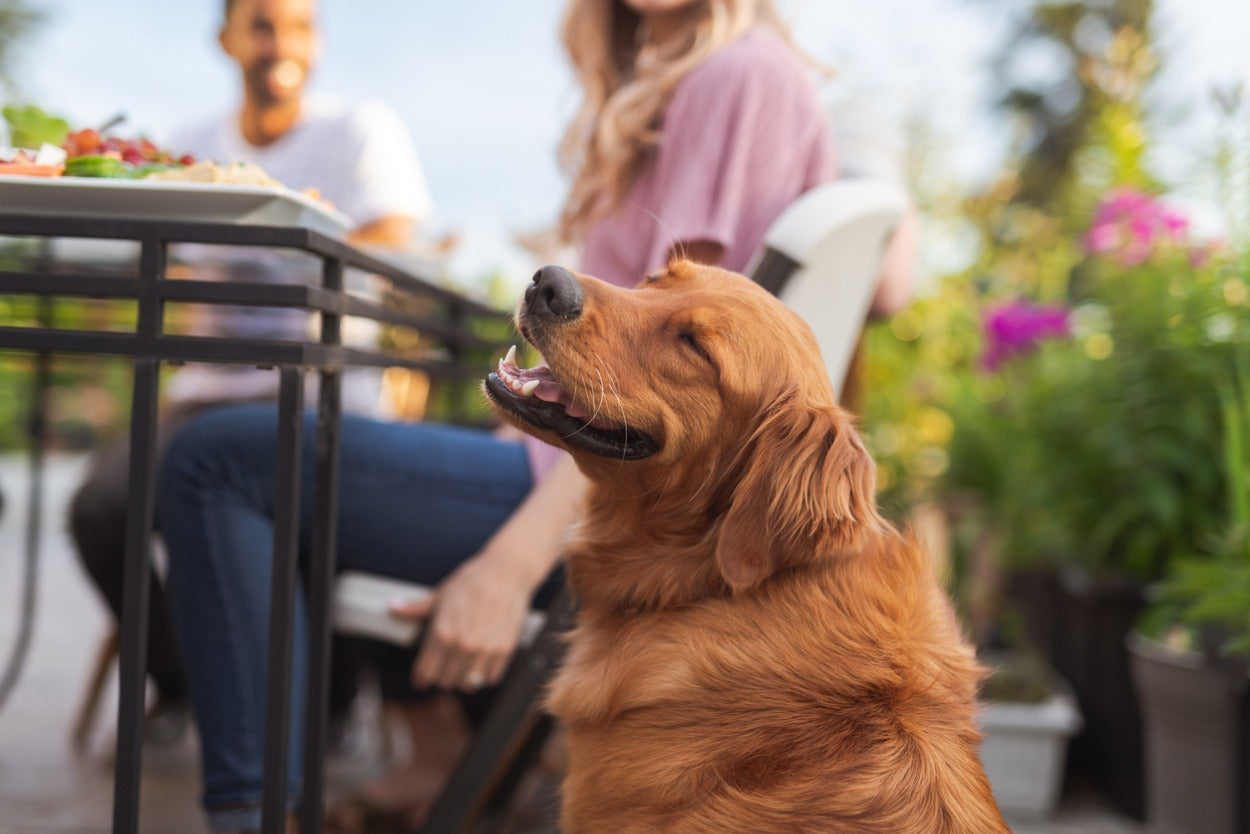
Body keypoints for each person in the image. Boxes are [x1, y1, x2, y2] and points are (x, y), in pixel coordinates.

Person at [156, 1, 872, 830]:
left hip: (571, 490)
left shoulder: (738, 76)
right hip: (552, 457)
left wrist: (511, 563)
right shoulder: (719, 75)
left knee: (217, 461)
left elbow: (674, 383)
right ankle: (437, 756)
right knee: (314, 445)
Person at [68, 0, 429, 747]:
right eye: (263, 23)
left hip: (324, 388)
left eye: (299, 24)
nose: (281, 42)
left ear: (318, 41)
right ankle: (190, 681)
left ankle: (314, 708)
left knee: (296, 510)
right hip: (209, 392)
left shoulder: (357, 130)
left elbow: (395, 236)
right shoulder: (191, 144)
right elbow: (156, 252)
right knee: (102, 507)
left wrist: (265, 254)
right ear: (227, 39)